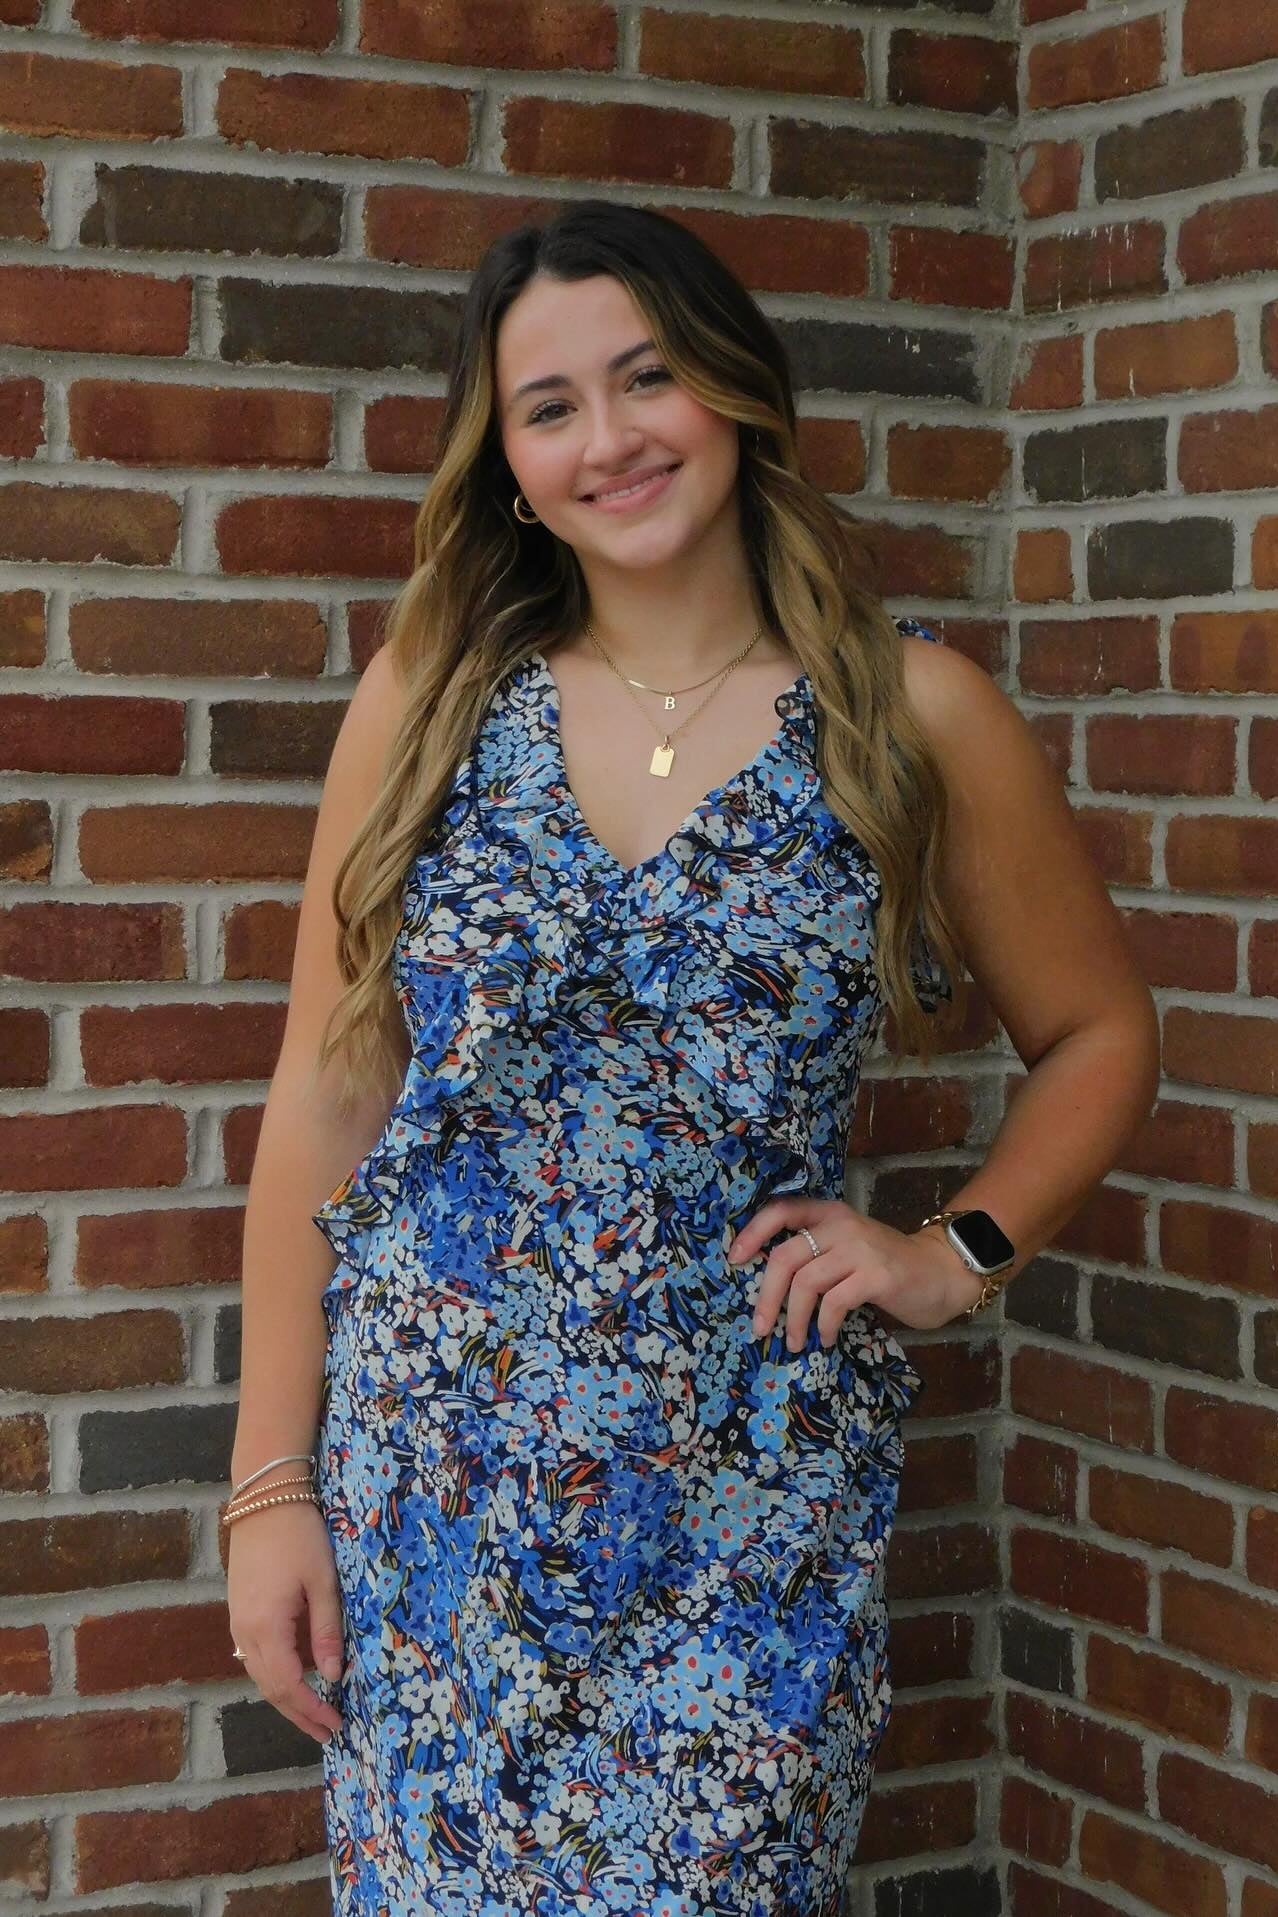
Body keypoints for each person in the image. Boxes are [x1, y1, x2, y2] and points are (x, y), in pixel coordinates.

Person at [225, 199, 1160, 1916]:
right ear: (511, 467)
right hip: (436, 1497)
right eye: (551, 405)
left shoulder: (909, 713)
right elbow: (330, 1087)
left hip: (746, 1505)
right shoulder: (433, 695)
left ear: (733, 389)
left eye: (646, 376)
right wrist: (268, 1485)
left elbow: (1099, 1034)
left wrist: (951, 1251)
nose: (610, 437)